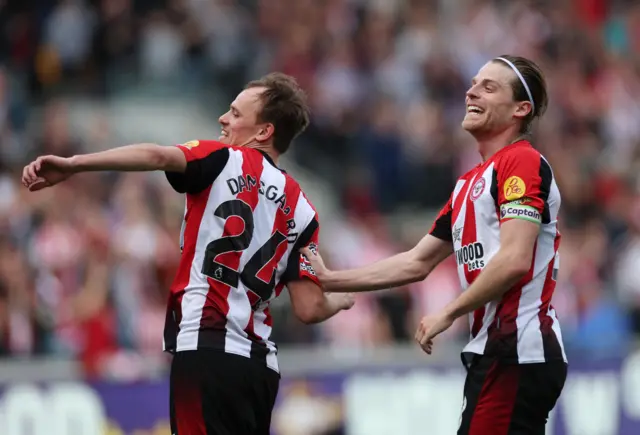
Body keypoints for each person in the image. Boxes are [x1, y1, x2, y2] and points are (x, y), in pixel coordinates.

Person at [21, 72, 355, 435]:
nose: (223, 119)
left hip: (205, 346)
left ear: (264, 132)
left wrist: (74, 164)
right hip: (260, 368)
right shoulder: (302, 208)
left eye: (235, 113)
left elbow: (155, 155)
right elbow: (309, 306)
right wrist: (342, 301)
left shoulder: (222, 159)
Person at [302, 55, 567, 435]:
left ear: (520, 109)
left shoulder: (521, 162)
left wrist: (448, 313)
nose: (471, 91)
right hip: (496, 349)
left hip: (518, 347)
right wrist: (331, 279)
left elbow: (514, 259)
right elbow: (416, 262)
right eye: (474, 83)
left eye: (489, 87)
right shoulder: (467, 185)